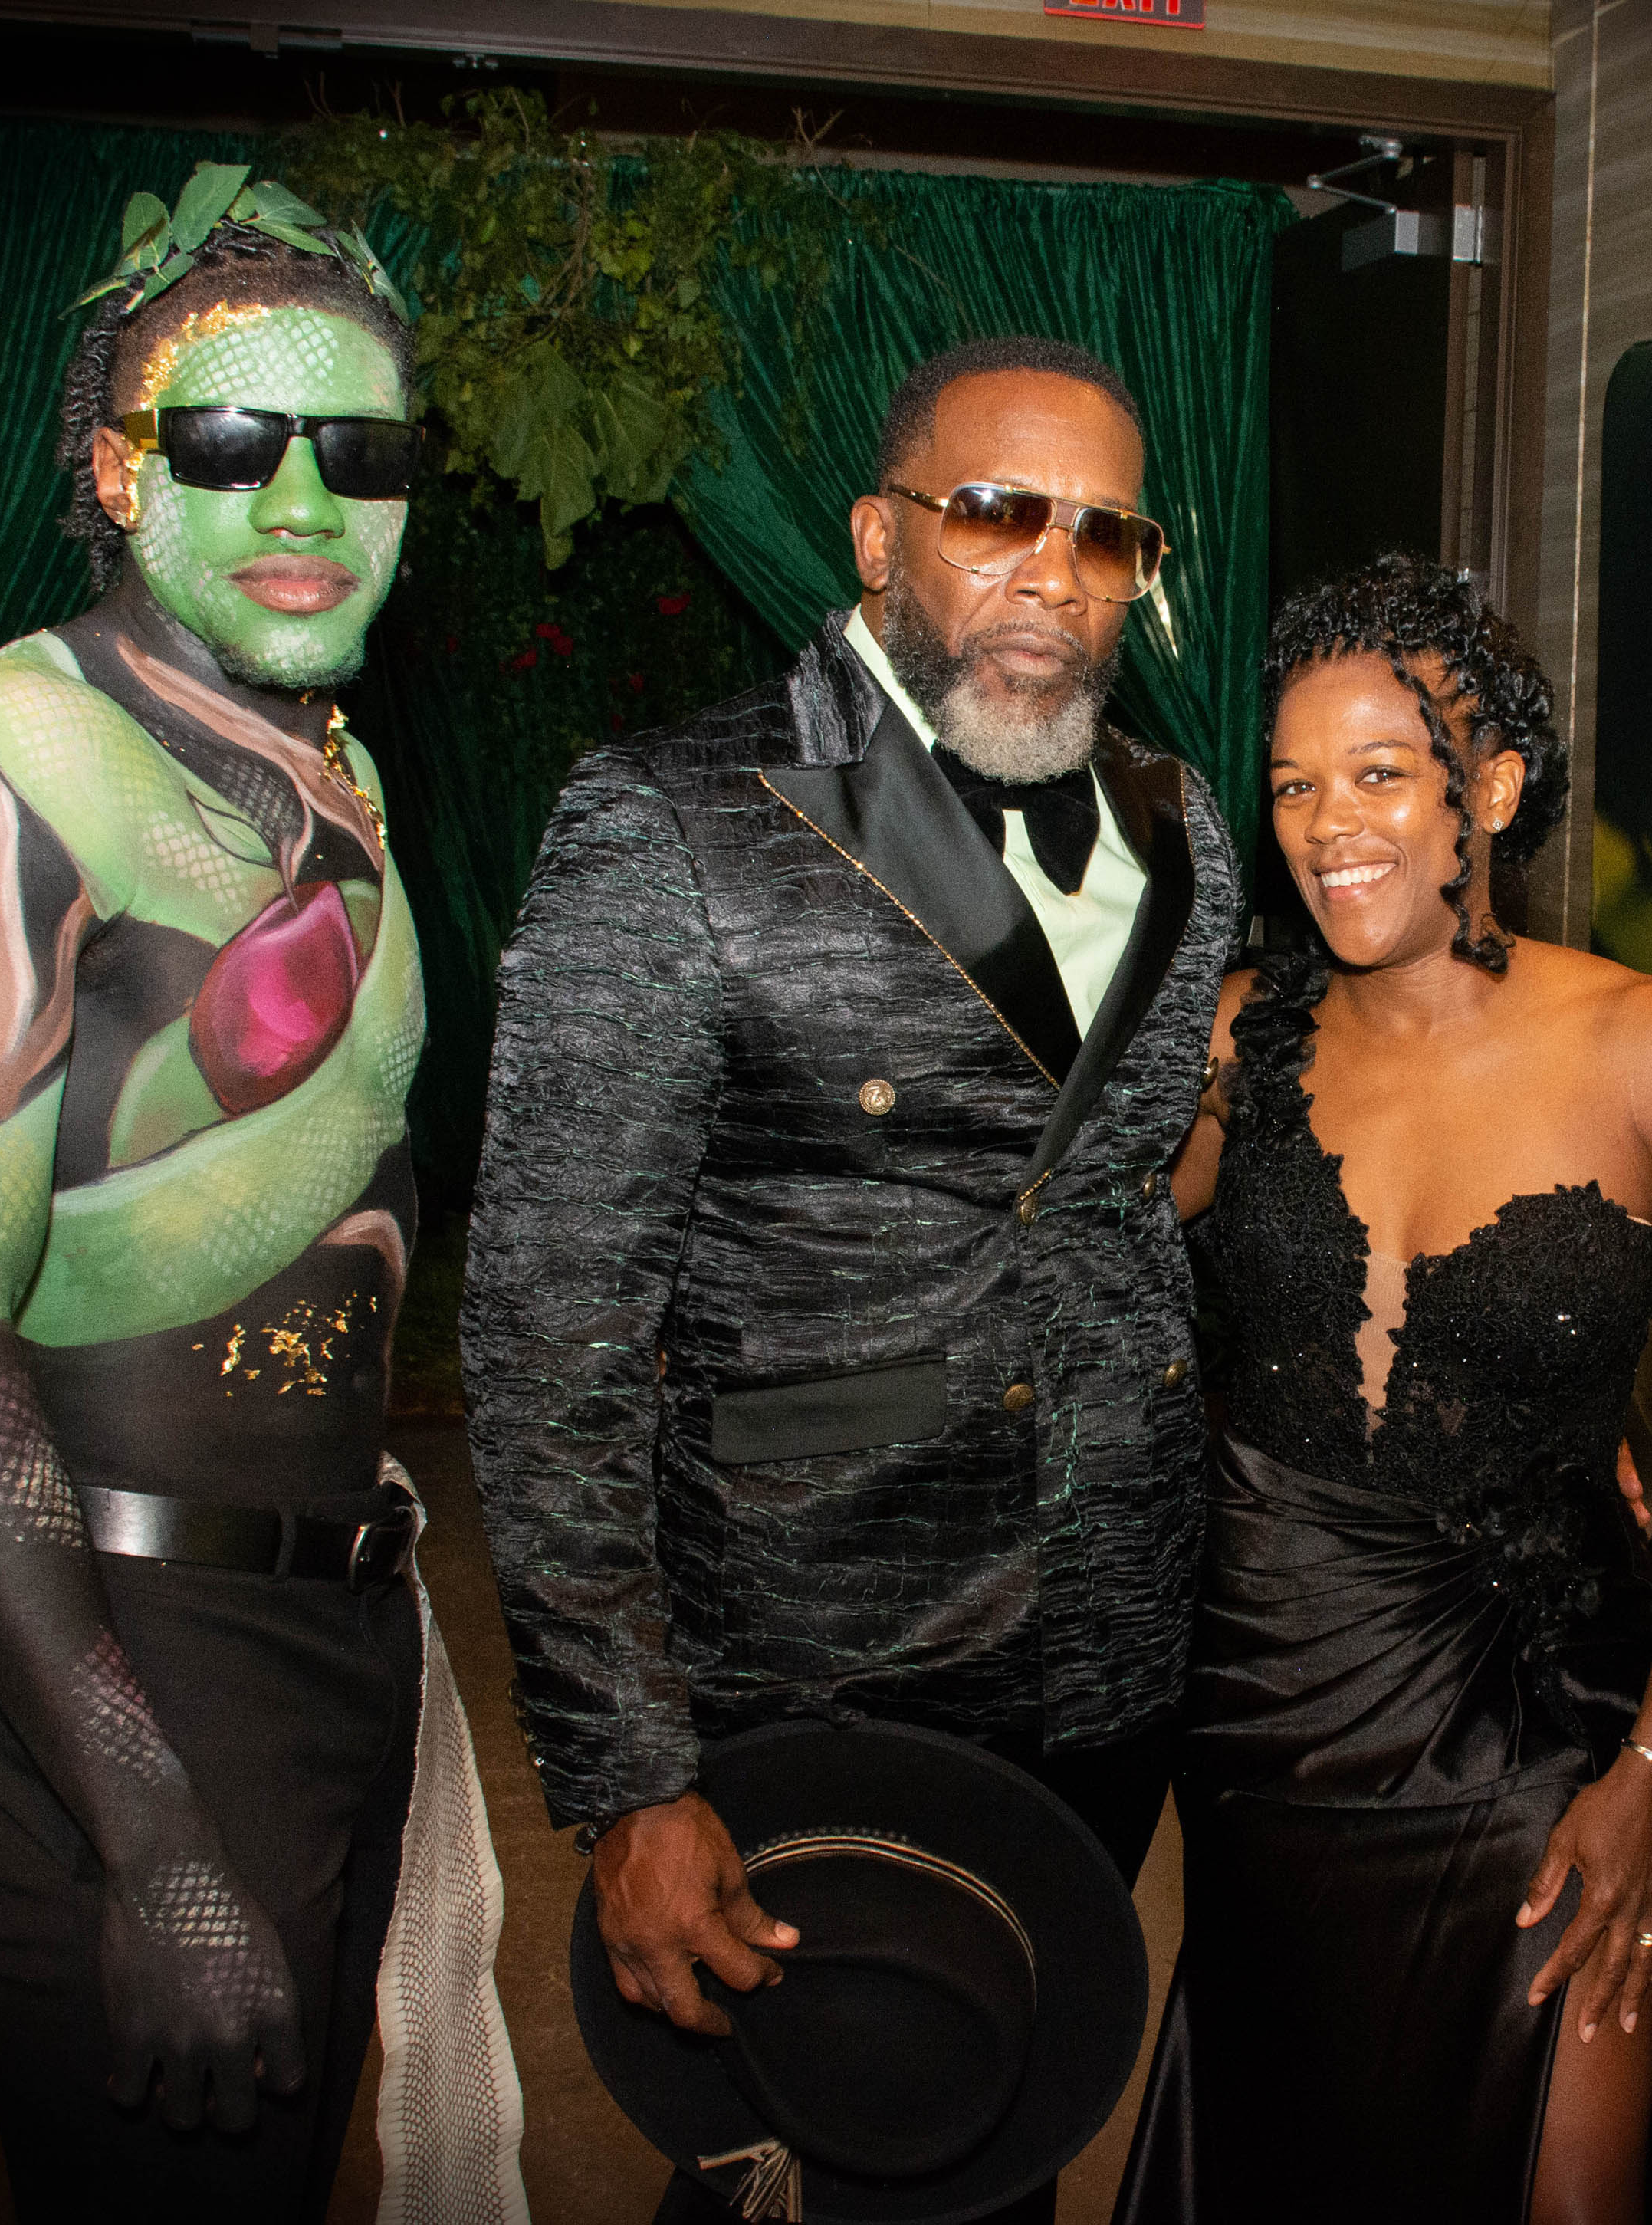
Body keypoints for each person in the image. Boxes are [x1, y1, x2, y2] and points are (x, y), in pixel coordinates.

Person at [464, 334, 1240, 2223]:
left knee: (995, 2108)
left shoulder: (1179, 820)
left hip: (1108, 1641)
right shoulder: (675, 820)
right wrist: (627, 1768)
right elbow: (546, 1324)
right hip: (819, 1638)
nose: (1050, 569)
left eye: (1105, 534)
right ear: (879, 537)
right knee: (796, 2146)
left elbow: (1150, 1194)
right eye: (994, 513)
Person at [0, 167, 515, 2220]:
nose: (304, 502)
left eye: (362, 450)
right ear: (120, 471)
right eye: (232, 441)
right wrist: (150, 1829)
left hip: (324, 1629)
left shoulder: (340, 775)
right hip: (102, 1645)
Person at [1115, 554, 1652, 2224]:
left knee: (1569, 2183)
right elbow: (1076, 1251)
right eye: (1290, 783)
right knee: (1301, 2144)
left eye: (1376, 774)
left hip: (1537, 1710)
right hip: (1267, 1692)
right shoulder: (1240, 1034)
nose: (1324, 821)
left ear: (1487, 787)